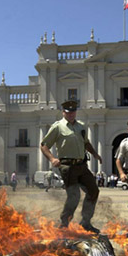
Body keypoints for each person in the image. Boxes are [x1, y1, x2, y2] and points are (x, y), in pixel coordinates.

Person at [40, 100, 102, 233]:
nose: (71, 114)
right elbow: (44, 145)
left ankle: (85, 223)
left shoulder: (81, 127)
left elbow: (86, 143)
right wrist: (52, 158)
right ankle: (64, 223)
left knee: (93, 191)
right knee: (74, 196)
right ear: (63, 112)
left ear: (75, 112)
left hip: (82, 165)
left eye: (73, 112)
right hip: (67, 166)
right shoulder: (57, 127)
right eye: (68, 112)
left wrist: (95, 154)